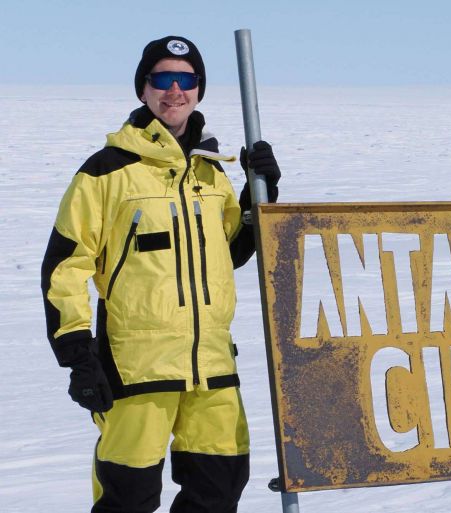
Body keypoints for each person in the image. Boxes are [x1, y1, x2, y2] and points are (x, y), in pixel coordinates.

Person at [41, 35, 280, 513]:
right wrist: (77, 354)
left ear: (199, 89)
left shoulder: (211, 173)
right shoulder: (105, 172)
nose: (175, 90)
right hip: (136, 369)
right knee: (126, 499)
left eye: (186, 79)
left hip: (211, 366)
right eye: (163, 79)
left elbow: (230, 252)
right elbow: (65, 268)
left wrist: (261, 196)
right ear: (143, 89)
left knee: (219, 490)